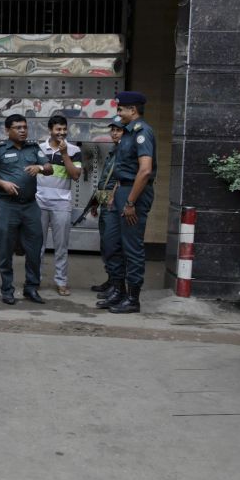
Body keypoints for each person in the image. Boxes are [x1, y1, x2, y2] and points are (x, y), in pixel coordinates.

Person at [0, 114, 53, 305]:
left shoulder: (33, 148)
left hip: (30, 206)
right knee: (6, 249)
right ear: (7, 130)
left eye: (24, 127)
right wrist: (2, 183)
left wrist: (39, 167)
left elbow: (49, 168)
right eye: (18, 127)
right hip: (8, 206)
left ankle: (31, 288)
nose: (23, 130)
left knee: (34, 249)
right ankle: (7, 289)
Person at [102, 91, 156, 314]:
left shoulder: (142, 132)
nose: (118, 113)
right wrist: (115, 194)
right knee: (112, 243)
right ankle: (118, 290)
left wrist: (131, 202)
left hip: (136, 193)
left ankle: (133, 299)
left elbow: (144, 171)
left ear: (132, 110)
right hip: (122, 190)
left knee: (132, 248)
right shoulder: (126, 133)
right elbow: (122, 169)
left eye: (121, 109)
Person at [36, 115, 83, 296]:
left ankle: (61, 282)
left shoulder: (73, 150)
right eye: (58, 129)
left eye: (64, 129)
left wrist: (64, 154)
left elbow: (75, 175)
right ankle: (35, 279)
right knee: (37, 244)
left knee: (61, 245)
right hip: (39, 201)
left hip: (62, 203)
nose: (62, 133)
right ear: (50, 130)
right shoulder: (39, 149)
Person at [93, 116, 127, 301]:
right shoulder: (115, 150)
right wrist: (96, 202)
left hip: (115, 203)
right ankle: (111, 280)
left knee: (113, 245)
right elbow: (105, 180)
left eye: (118, 130)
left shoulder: (125, 151)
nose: (114, 133)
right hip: (106, 202)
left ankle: (117, 285)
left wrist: (111, 198)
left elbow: (118, 180)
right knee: (106, 244)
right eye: (112, 129)